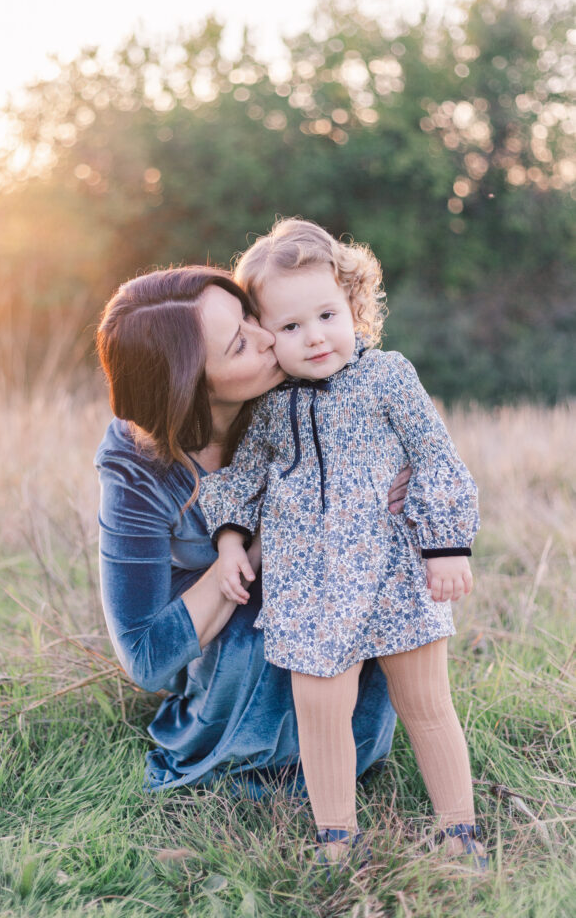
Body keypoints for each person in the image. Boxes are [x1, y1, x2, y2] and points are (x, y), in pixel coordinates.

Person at [199, 218, 487, 867]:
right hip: (307, 587)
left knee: (427, 704)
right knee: (320, 713)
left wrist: (445, 548)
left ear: (352, 305)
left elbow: (435, 456)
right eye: (290, 327)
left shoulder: (387, 377)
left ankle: (458, 830)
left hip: (392, 573)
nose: (315, 337)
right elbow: (238, 480)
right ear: (265, 336)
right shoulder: (270, 408)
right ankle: (336, 836)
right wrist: (228, 543)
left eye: (326, 314)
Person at [95, 265, 408, 797]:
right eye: (240, 345)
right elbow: (145, 657)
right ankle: (260, 759)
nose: (270, 338)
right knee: (259, 616)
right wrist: (256, 543)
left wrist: (397, 494)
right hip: (228, 660)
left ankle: (351, 747)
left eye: (248, 314)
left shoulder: (311, 391)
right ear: (189, 390)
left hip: (337, 622)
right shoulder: (137, 465)